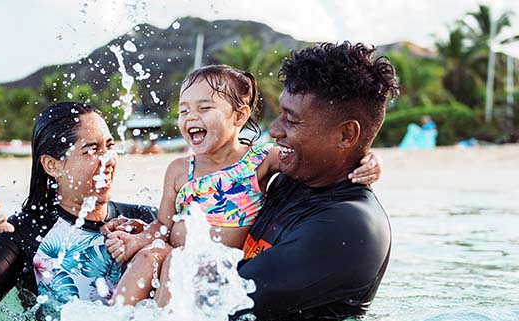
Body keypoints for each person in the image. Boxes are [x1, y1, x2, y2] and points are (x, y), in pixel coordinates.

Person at [105, 65, 382, 306]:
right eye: (184, 110)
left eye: (204, 108)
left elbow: (324, 156)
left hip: (217, 265)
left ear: (239, 116)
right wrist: (137, 240)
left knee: (177, 265)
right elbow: (162, 225)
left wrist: (368, 160)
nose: (191, 117)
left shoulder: (259, 160)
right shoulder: (179, 170)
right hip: (176, 252)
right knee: (148, 257)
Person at [230, 42, 398, 321]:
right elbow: (211, 216)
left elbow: (220, 299)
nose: (274, 130)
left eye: (291, 119)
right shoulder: (293, 180)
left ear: (346, 135)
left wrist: (156, 253)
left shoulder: (349, 226)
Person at [0, 102, 156, 321]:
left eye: (109, 146)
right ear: (52, 166)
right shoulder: (26, 233)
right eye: (92, 150)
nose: (108, 159)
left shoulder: (146, 220)